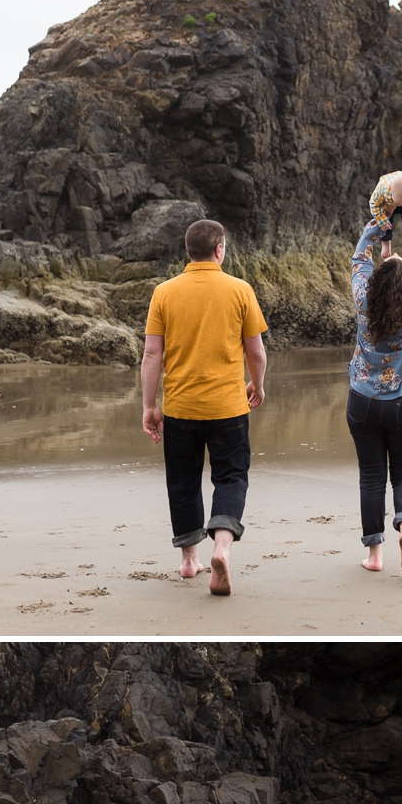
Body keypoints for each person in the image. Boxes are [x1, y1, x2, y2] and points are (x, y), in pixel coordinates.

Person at [140, 218, 269, 597]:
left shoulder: (164, 292)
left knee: (182, 481)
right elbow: (256, 351)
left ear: (188, 251)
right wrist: (257, 385)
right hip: (228, 406)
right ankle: (222, 549)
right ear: (219, 250)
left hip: (180, 408)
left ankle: (188, 560)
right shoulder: (240, 289)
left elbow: (151, 353)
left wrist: (150, 406)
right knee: (231, 477)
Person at [347, 171, 402, 575]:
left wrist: (379, 227)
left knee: (370, 477)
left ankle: (374, 555)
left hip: (363, 401)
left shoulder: (365, 300)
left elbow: (360, 259)